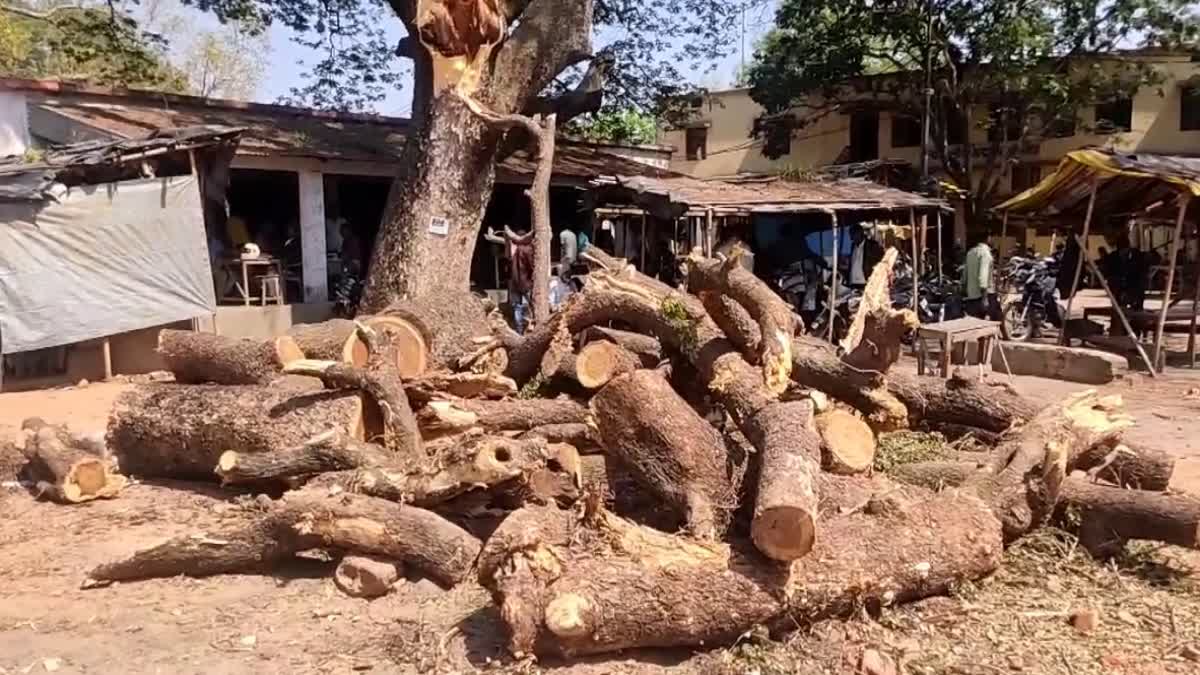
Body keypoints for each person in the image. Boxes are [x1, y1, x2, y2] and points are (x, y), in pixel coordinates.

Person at [962, 233, 1000, 319]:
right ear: (987, 239)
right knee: (995, 319)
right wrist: (985, 298)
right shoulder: (986, 254)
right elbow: (983, 277)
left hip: (971, 296)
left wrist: (964, 289)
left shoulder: (970, 252)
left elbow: (965, 275)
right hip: (984, 295)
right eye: (991, 238)